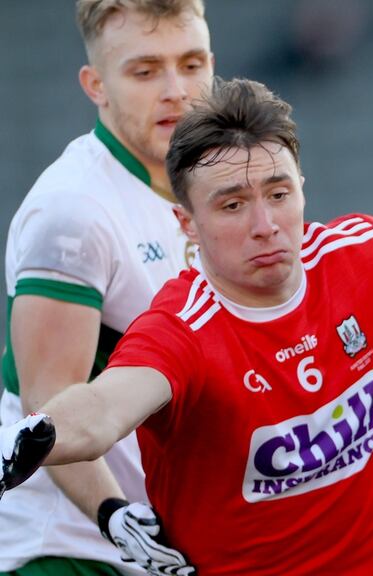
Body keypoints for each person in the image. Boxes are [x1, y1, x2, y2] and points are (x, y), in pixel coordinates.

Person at [0, 77, 373, 575]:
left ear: (302, 188)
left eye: (278, 193)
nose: (265, 224)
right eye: (232, 205)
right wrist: (31, 437)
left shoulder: (360, 255)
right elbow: (103, 408)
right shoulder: (181, 328)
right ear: (186, 223)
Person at [0, 1, 213, 574]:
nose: (176, 90)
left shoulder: (216, 189)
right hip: (68, 550)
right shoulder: (74, 211)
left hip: (163, 550)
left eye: (191, 65)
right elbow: (45, 407)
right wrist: (114, 514)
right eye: (145, 72)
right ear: (96, 85)